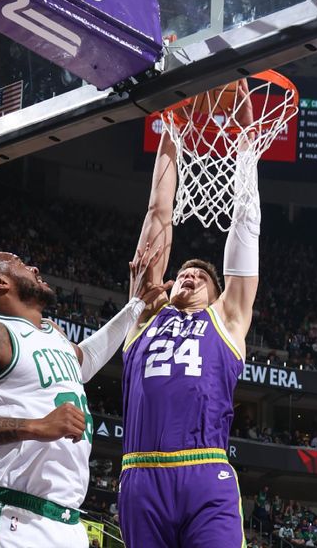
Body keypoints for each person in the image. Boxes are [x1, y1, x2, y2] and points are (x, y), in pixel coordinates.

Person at [0, 250, 167, 548]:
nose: (33, 267)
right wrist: (34, 426)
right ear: (0, 281)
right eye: (20, 264)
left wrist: (135, 305)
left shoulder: (52, 333)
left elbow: (89, 359)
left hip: (67, 522)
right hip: (12, 518)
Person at [119, 79, 259, 547]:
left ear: (218, 292)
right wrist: (170, 129)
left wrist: (245, 137)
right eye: (184, 271)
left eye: (202, 275)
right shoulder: (143, 314)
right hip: (140, 472)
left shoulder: (228, 319)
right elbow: (159, 214)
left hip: (205, 474)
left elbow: (245, 226)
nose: (190, 275)